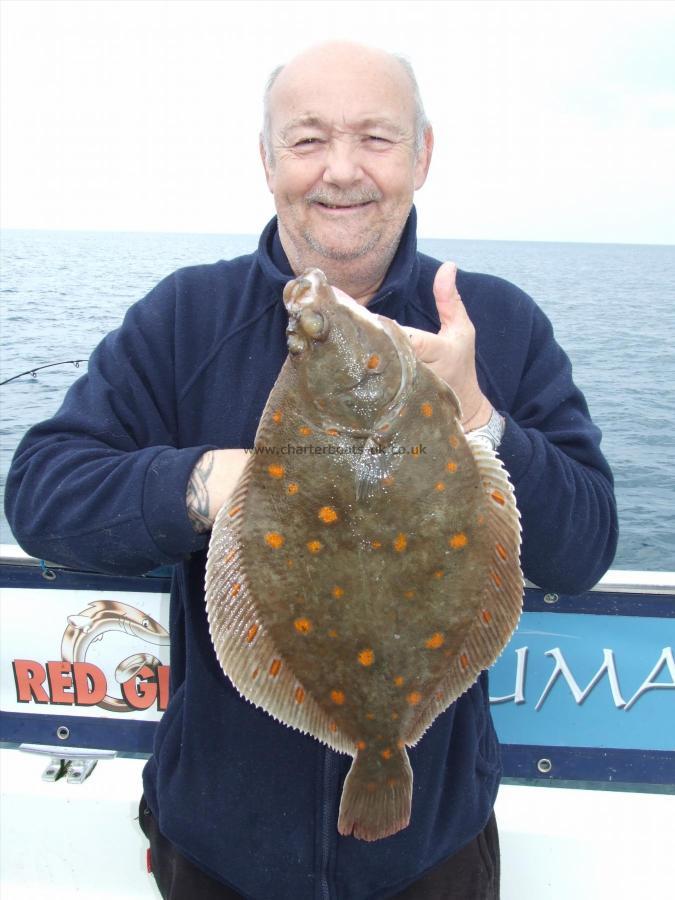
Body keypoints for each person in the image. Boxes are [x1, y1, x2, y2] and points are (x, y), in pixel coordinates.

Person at [4, 41, 617, 900]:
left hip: (432, 854)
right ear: (266, 160)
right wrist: (213, 484)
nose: (340, 171)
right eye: (306, 140)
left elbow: (583, 548)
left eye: (374, 137)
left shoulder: (499, 325)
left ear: (421, 156)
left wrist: (480, 418)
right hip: (218, 851)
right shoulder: (185, 317)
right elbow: (40, 492)